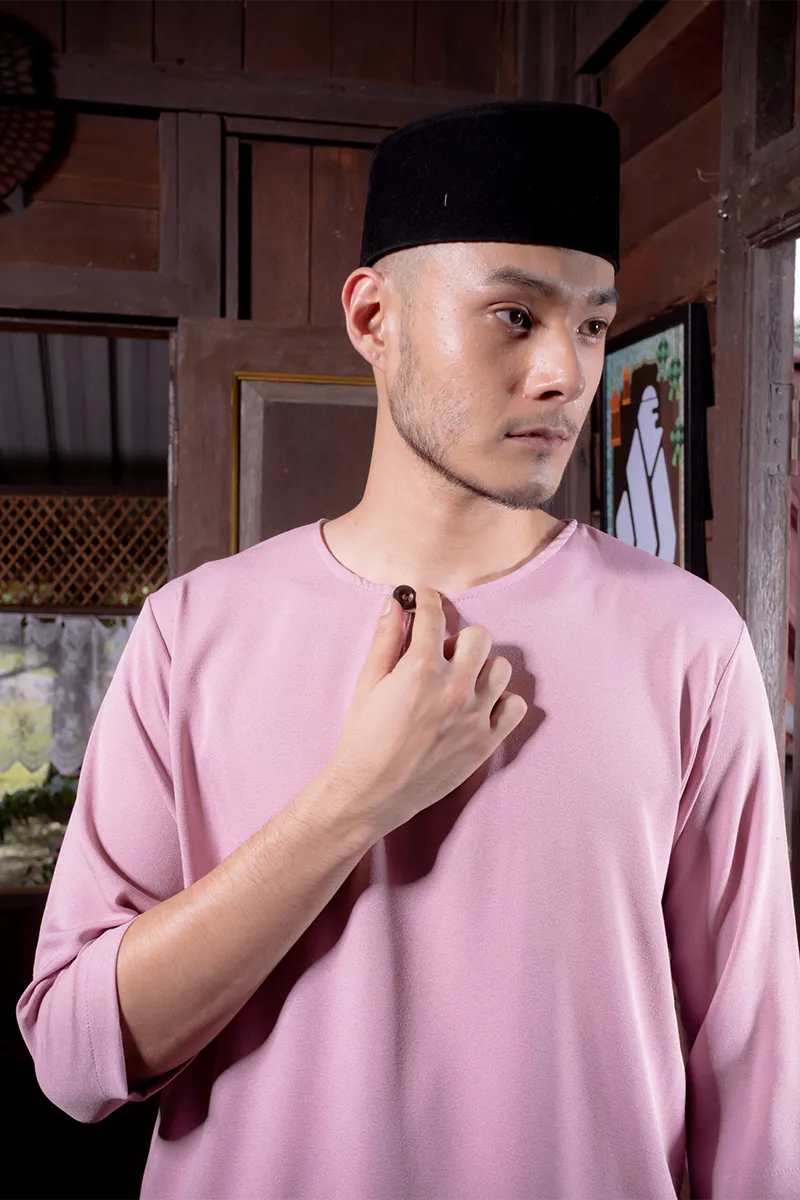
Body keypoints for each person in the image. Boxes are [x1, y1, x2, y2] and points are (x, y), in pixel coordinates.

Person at [17, 101, 800, 1200]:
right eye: (514, 315)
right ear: (373, 316)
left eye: (590, 326)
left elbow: (753, 1073)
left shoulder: (687, 643)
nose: (564, 373)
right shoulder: (192, 632)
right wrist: (352, 803)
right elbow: (74, 1059)